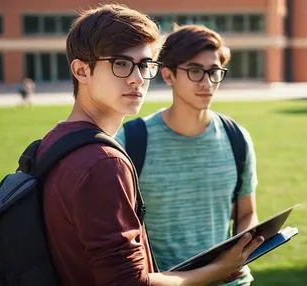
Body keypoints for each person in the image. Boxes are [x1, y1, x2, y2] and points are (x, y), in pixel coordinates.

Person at [36, 4, 263, 286]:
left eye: (144, 65)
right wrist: (218, 271)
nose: (137, 78)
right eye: (120, 63)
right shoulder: (105, 161)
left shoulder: (53, 141)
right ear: (82, 71)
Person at [116, 25, 260, 285]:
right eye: (195, 71)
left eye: (214, 72)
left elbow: (246, 213)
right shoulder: (132, 140)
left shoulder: (237, 138)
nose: (206, 83)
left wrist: (243, 249)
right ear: (168, 75)